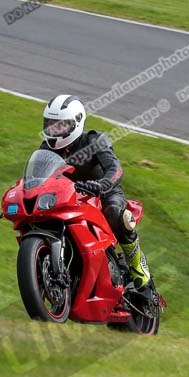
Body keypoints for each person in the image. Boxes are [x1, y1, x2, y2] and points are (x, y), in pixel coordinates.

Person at [40, 94, 153, 304]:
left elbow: (115, 168)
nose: (54, 131)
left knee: (117, 215)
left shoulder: (94, 140)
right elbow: (37, 178)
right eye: (50, 125)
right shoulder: (45, 149)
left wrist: (102, 184)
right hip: (70, 197)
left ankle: (139, 271)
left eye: (60, 126)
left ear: (75, 123)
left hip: (103, 193)